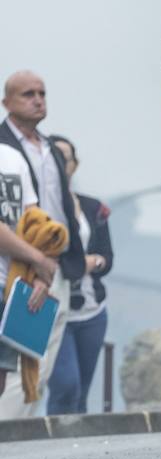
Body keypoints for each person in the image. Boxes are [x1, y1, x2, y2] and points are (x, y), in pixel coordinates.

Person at [0, 71, 85, 417]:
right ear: (7, 103)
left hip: (53, 263)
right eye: (28, 94)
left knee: (41, 358)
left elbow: (51, 208)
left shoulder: (49, 147)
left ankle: (21, 438)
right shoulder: (6, 149)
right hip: (19, 266)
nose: (37, 99)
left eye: (42, 93)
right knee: (19, 361)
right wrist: (36, 261)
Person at [45, 136, 113, 415]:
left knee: (81, 392)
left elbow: (107, 259)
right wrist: (72, 264)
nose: (62, 164)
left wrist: (93, 262)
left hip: (91, 311)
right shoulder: (37, 202)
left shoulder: (92, 207)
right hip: (51, 308)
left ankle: (76, 454)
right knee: (65, 386)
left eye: (67, 158)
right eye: (56, 157)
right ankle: (52, 449)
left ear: (75, 164)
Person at [0, 140, 59, 406]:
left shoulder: (13, 159)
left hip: (10, 285)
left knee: (1, 377)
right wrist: (39, 260)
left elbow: (35, 225)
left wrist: (39, 275)